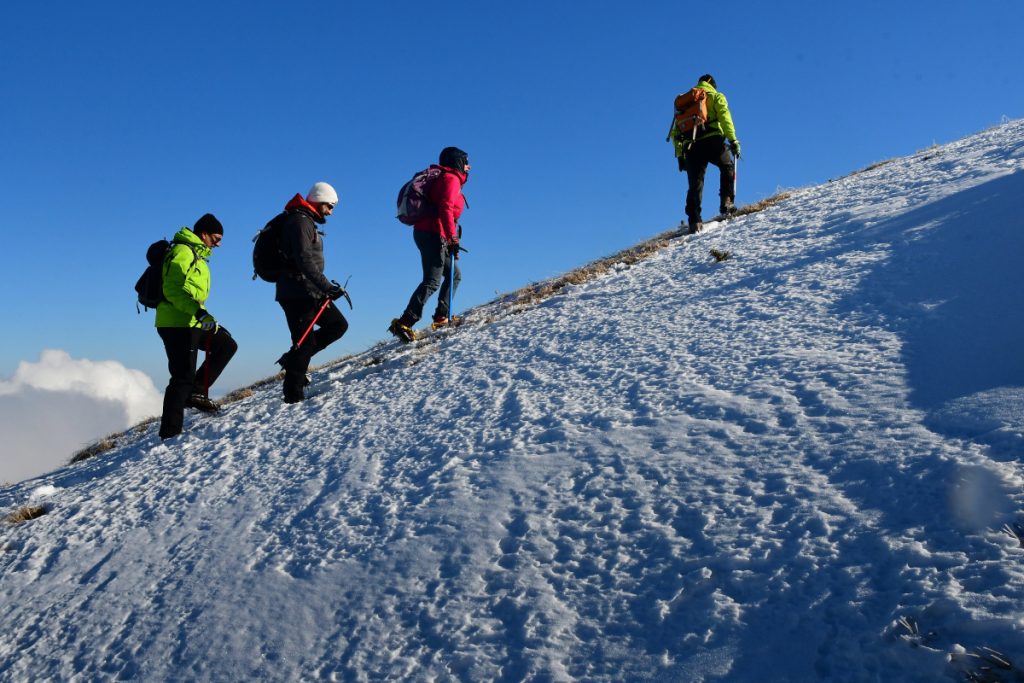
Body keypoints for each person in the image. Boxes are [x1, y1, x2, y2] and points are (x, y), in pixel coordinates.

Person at [155, 213, 238, 440]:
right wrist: (199, 312)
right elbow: (172, 290)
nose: (218, 244)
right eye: (216, 238)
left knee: (226, 345)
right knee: (182, 377)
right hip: (176, 323)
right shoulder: (183, 252)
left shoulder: (196, 255)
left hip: (191, 320)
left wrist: (200, 314)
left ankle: (197, 393)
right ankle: (170, 434)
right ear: (203, 234)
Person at [274, 182, 349, 403]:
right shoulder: (299, 221)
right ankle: (293, 397)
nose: (331, 212)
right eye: (329, 206)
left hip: (310, 291)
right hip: (297, 293)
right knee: (304, 343)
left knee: (337, 325)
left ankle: (293, 359)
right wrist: (327, 287)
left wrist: (323, 288)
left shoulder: (304, 220)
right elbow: (304, 260)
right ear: (319, 200)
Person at [389, 146, 469, 342]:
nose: (469, 166)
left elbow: (446, 212)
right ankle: (405, 322)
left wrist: (451, 239)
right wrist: (452, 239)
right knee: (432, 281)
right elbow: (446, 208)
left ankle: (442, 316)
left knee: (454, 274)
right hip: (432, 233)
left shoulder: (447, 178)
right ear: (457, 161)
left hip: (432, 233)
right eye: (466, 161)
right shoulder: (451, 178)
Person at [671, 74, 741, 234]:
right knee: (727, 166)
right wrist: (733, 140)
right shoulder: (715, 96)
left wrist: (680, 155)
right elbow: (725, 118)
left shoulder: (687, 102)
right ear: (713, 85)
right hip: (713, 141)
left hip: (691, 146)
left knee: (695, 183)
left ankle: (694, 221)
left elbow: (676, 132)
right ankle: (726, 202)